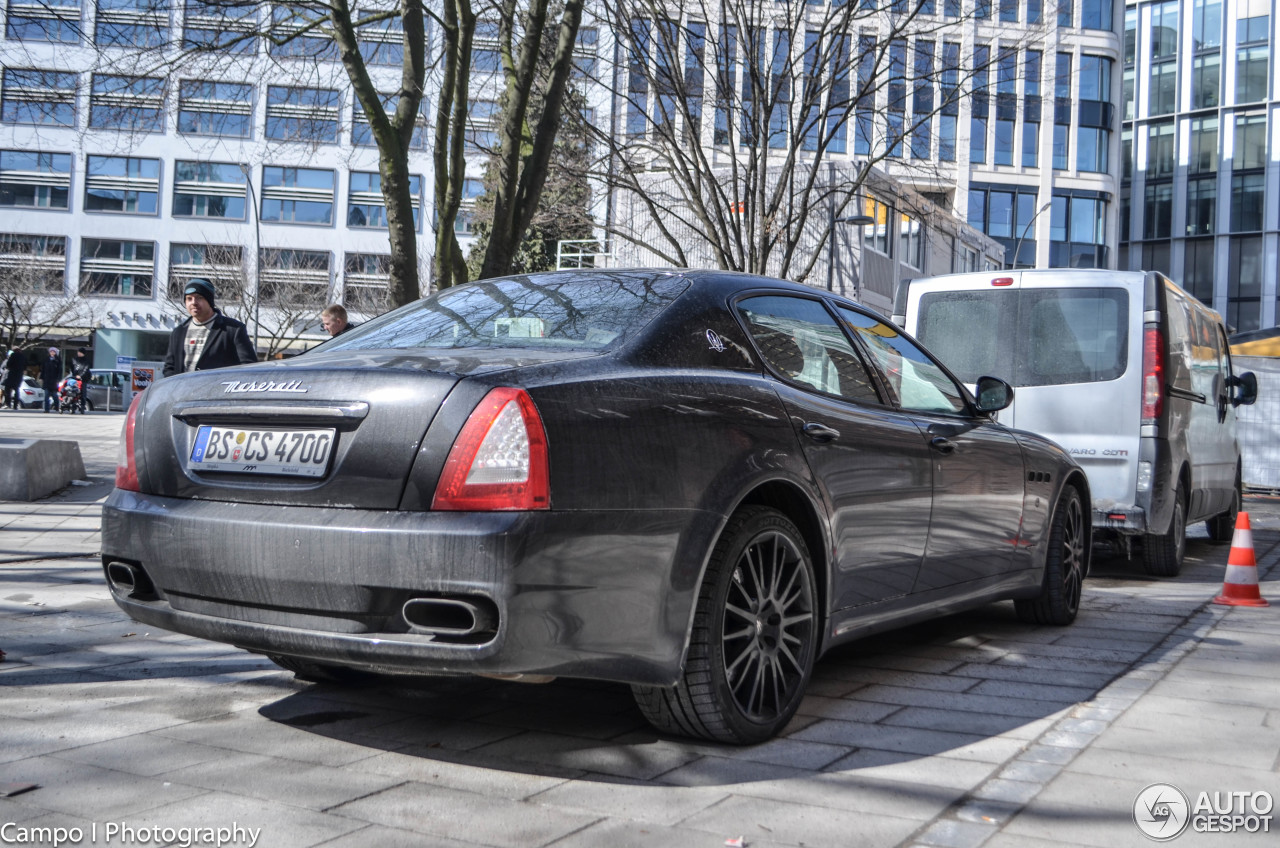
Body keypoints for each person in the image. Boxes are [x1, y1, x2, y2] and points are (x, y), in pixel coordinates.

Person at [163, 279, 257, 378]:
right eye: (189, 298)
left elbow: (248, 367)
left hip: (217, 392)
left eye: (199, 297)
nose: (193, 302)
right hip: (184, 392)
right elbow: (169, 367)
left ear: (209, 301)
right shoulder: (178, 332)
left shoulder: (233, 330)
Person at [68, 349, 91, 413]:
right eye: (78, 352)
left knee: (83, 393)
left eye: (80, 352)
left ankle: (82, 407)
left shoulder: (86, 361)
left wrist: (81, 376)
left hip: (83, 379)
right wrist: (75, 375)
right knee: (73, 392)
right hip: (75, 379)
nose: (79, 353)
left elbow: (86, 369)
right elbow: (72, 367)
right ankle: (73, 406)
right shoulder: (74, 359)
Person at [40, 347, 60, 413]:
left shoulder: (58, 360)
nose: (52, 353)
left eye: (53, 352)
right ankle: (46, 409)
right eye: (51, 351)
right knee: (46, 396)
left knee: (55, 395)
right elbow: (43, 369)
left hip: (54, 380)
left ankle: (57, 407)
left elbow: (59, 371)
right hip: (47, 380)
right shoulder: (46, 360)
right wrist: (41, 378)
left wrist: (58, 379)